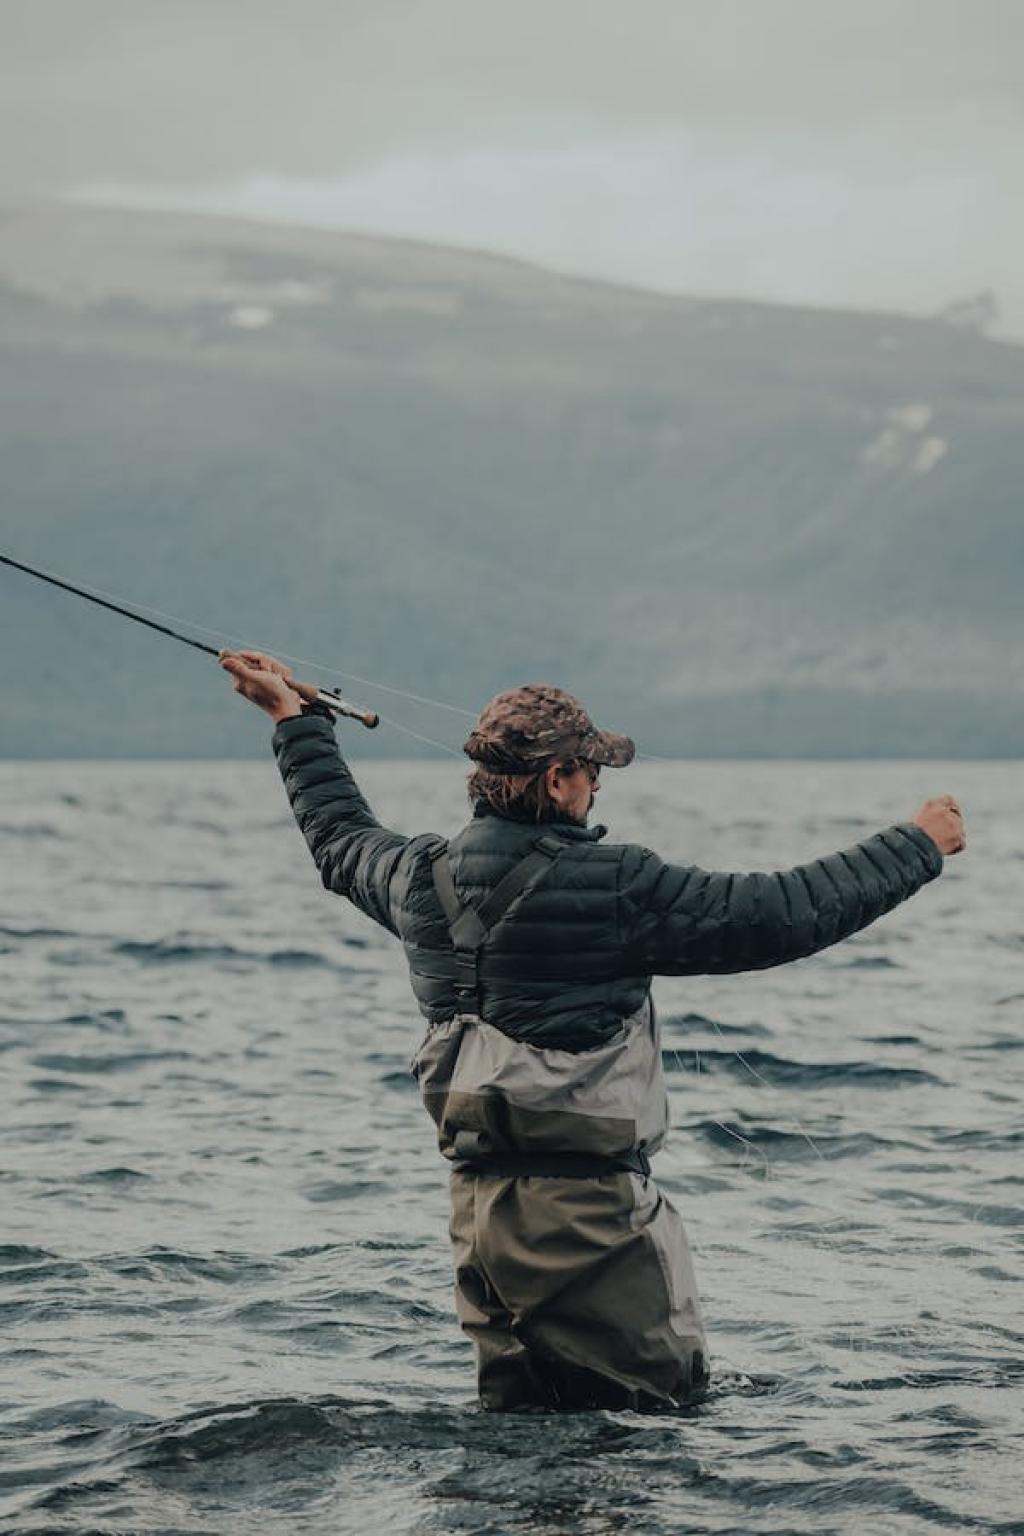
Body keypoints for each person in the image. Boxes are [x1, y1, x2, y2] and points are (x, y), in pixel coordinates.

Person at [220, 648, 966, 1412]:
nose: (598, 783)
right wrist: (915, 846)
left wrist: (297, 723)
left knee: (519, 1446)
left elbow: (339, 840)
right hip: (591, 1227)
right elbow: (778, 914)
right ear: (556, 780)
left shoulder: (419, 878)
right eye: (591, 769)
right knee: (646, 1434)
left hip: (479, 1220)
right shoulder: (617, 883)